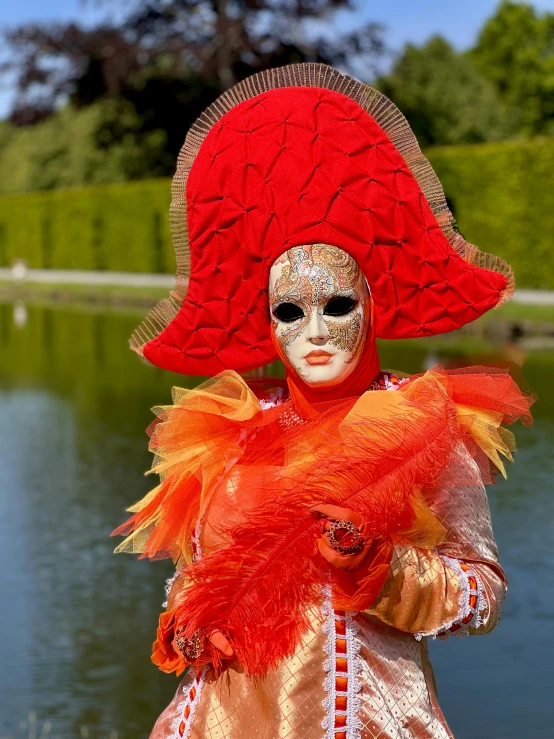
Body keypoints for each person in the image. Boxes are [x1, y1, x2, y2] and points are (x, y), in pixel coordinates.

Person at [113, 63, 534, 739]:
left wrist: (384, 568)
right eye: (289, 310)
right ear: (268, 322)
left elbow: (482, 594)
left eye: (335, 304)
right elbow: (198, 574)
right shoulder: (229, 428)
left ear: (371, 303)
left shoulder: (419, 421)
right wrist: (186, 616)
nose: (312, 331)